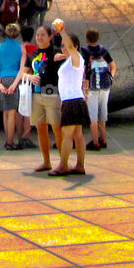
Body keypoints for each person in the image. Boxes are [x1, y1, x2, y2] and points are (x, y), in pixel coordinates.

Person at [23, 25, 64, 173]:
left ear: (50, 37)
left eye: (43, 35)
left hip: (51, 91)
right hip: (36, 94)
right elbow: (22, 73)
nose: (39, 38)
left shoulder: (56, 52)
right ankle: (46, 162)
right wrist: (29, 76)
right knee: (40, 128)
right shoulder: (33, 55)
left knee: (56, 127)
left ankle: (63, 162)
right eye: (38, 35)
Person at [51, 20, 88, 176]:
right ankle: (79, 165)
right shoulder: (70, 60)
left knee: (67, 135)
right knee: (78, 135)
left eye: (67, 45)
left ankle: (63, 165)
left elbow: (71, 48)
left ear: (75, 46)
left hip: (73, 101)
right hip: (73, 100)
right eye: (62, 46)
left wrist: (62, 32)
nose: (64, 48)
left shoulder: (76, 58)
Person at [82, 28, 116, 150]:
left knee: (93, 116)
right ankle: (104, 140)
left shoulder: (85, 51)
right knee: (103, 115)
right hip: (105, 87)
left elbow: (85, 71)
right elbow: (113, 65)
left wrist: (85, 89)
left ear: (87, 39)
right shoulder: (103, 50)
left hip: (92, 88)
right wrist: (110, 78)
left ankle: (95, 142)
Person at [0, 23, 24, 150]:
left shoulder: (0, 46)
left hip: (3, 78)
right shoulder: (21, 48)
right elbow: (22, 69)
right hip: (15, 79)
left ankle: (7, 139)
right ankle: (10, 142)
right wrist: (15, 84)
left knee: (5, 112)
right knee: (12, 112)